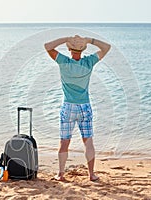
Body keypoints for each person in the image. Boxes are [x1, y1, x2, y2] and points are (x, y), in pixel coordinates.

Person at [44, 35, 111, 181]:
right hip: (85, 107)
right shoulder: (88, 62)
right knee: (88, 142)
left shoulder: (63, 62)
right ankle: (91, 174)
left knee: (64, 142)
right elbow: (107, 48)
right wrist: (89, 40)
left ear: (69, 49)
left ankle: (60, 174)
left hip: (68, 107)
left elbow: (47, 46)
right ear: (82, 50)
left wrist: (66, 38)